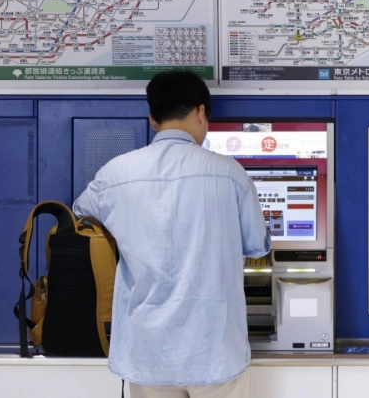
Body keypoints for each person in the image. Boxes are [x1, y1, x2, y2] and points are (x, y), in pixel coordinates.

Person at [73, 70, 270, 398]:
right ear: (201, 112)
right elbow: (256, 245)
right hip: (216, 351)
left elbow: (81, 217)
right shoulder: (230, 174)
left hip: (148, 353)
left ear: (152, 120)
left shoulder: (115, 174)